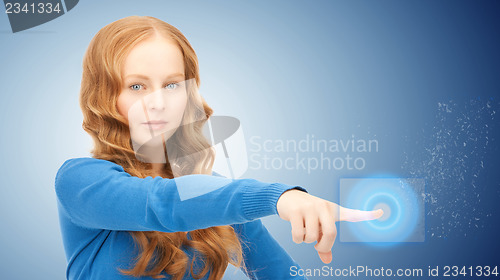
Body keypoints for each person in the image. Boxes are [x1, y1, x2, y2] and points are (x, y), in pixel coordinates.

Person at [55, 16, 383, 280]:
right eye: (137, 86)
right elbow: (162, 206)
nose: (157, 103)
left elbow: (281, 273)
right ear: (104, 96)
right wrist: (279, 196)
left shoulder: (217, 194)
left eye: (171, 85)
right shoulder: (81, 180)